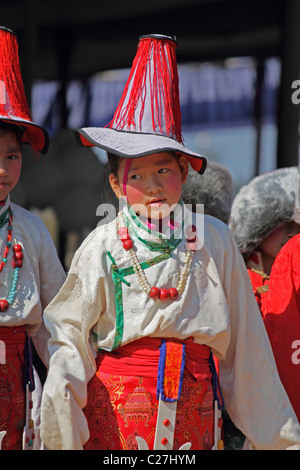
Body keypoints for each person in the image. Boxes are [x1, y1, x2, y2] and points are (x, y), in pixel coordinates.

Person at [40, 34, 300, 451]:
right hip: (117, 427)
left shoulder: (213, 238)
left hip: (195, 423)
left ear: (184, 169)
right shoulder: (102, 243)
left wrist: (282, 442)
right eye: (137, 175)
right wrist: (62, 431)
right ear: (116, 184)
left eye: (164, 170)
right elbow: (68, 338)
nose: (153, 186)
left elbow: (247, 351)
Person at [0, 27, 66, 450]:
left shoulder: (31, 228)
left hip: (16, 385)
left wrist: (66, 381)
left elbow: (54, 317)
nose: (3, 169)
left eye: (11, 156)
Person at [229, 167, 300, 316]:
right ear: (258, 227)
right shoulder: (234, 279)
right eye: (285, 223)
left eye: (299, 227)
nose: (292, 234)